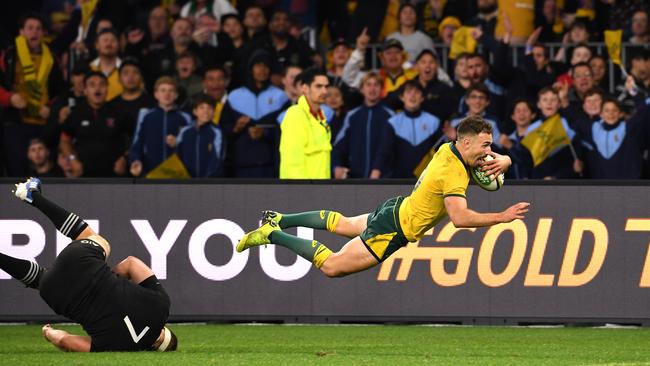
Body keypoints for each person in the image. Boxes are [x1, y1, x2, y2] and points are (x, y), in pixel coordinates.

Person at [237, 116, 530, 277]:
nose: (488, 152)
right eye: (485, 145)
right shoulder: (452, 173)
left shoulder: (448, 148)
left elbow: (486, 159)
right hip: (395, 229)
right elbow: (460, 218)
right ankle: (272, 234)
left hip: (396, 207)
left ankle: (281, 218)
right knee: (333, 267)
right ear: (466, 142)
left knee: (343, 224)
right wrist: (502, 217)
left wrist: (505, 159)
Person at [6, 178, 177, 352]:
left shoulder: (161, 306)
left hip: (80, 261)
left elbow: (131, 263)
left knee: (97, 239)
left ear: (164, 330)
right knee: (42, 280)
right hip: (57, 295)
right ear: (152, 349)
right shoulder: (116, 347)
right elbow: (65, 341)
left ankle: (33, 196)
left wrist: (107, 278)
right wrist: (50, 333)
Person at [0, 13, 65, 177]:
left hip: (44, 125)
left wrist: (51, 108)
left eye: (38, 29)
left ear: (43, 33)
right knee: (17, 173)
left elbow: (61, 91)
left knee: (47, 172)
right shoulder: (8, 56)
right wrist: (9, 98)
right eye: (30, 28)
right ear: (21, 32)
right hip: (16, 123)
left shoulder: (51, 59)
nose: (34, 32)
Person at [59, 72, 129, 177]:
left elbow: (132, 141)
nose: (98, 88)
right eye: (92, 85)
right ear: (85, 91)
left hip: (113, 176)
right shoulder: (76, 113)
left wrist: (124, 159)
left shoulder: (119, 113)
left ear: (107, 89)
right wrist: (72, 160)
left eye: (102, 84)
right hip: (84, 175)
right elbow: (64, 141)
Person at [375, 80, 444, 178]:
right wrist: (376, 170)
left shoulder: (434, 122)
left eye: (416, 92)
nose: (412, 96)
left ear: (422, 98)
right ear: (402, 97)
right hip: (398, 181)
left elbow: (442, 153)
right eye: (408, 92)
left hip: (427, 181)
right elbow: (384, 151)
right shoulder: (393, 123)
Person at [332, 72, 394, 179]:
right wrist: (336, 166)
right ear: (362, 89)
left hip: (384, 180)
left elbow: (393, 149)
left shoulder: (390, 116)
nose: (372, 89)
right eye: (368, 85)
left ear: (381, 90)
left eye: (376, 85)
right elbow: (339, 147)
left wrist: (379, 169)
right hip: (356, 180)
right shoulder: (352, 116)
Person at [129, 77, 191, 177]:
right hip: (150, 171)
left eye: (171, 90)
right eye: (163, 90)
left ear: (176, 95)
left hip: (176, 173)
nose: (167, 94)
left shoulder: (185, 117)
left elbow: (192, 145)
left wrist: (178, 141)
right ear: (156, 94)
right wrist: (136, 160)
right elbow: (137, 144)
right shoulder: (146, 116)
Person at [278, 67, 331, 179]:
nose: (324, 91)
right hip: (303, 192)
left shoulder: (321, 119)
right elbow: (292, 163)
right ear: (305, 88)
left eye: (326, 86)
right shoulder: (296, 115)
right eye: (318, 86)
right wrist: (300, 193)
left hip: (321, 191)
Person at [176, 95, 226, 177]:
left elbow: (218, 159)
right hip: (187, 181)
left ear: (214, 112)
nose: (206, 111)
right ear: (195, 111)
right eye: (201, 107)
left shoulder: (217, 132)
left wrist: (207, 180)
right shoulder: (184, 131)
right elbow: (178, 155)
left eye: (209, 108)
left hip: (209, 182)